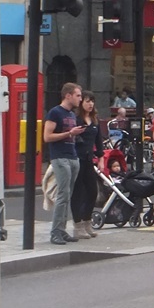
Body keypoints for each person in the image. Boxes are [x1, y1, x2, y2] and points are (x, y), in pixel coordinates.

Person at [42, 82, 85, 246]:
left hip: (73, 156)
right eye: (78, 95)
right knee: (63, 194)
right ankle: (55, 232)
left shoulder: (72, 115)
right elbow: (47, 137)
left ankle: (61, 230)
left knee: (68, 195)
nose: (80, 99)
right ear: (68, 95)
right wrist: (69, 133)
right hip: (60, 157)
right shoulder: (55, 113)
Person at [70, 91, 103, 239]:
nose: (90, 104)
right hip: (77, 159)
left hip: (89, 159)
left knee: (92, 191)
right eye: (87, 101)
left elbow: (99, 142)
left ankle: (87, 221)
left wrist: (101, 158)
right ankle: (77, 226)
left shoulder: (95, 120)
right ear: (81, 103)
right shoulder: (75, 119)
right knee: (78, 192)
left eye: (92, 101)